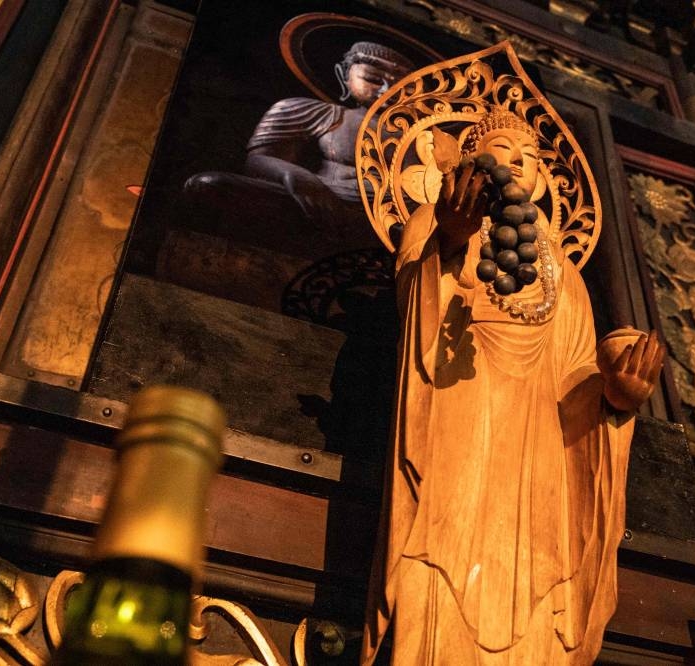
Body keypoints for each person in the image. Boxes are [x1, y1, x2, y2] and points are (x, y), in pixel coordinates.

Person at [362, 108, 665, 664]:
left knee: (531, 600)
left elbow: (574, 372)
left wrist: (613, 396)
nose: (519, 160)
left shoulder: (565, 274)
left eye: (531, 157)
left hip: (538, 455)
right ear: (471, 160)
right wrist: (451, 240)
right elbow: (417, 310)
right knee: (438, 573)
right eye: (503, 148)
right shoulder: (435, 219)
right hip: (457, 422)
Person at [183, 42, 414, 242]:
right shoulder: (322, 113)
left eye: (402, 86)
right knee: (209, 184)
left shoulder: (423, 138)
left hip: (391, 220)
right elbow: (258, 160)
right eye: (373, 79)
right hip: (324, 199)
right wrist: (296, 176)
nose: (386, 90)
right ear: (344, 76)